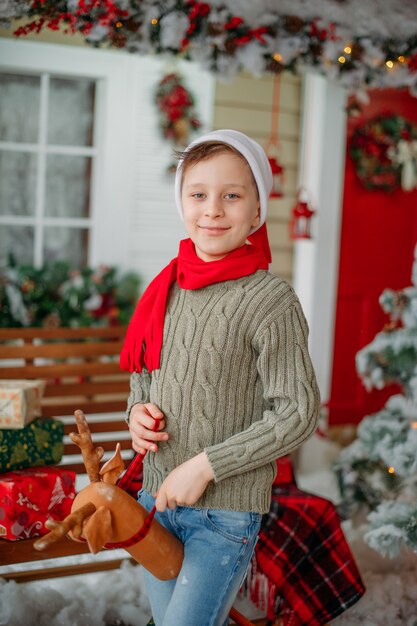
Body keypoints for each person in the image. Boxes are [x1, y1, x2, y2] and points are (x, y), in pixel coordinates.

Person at [121, 129, 320, 626]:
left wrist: (206, 466)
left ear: (256, 212)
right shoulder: (166, 287)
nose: (213, 209)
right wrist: (137, 413)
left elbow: (296, 411)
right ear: (182, 202)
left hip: (224, 514)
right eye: (199, 194)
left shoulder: (271, 301)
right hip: (156, 499)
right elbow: (144, 374)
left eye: (232, 196)